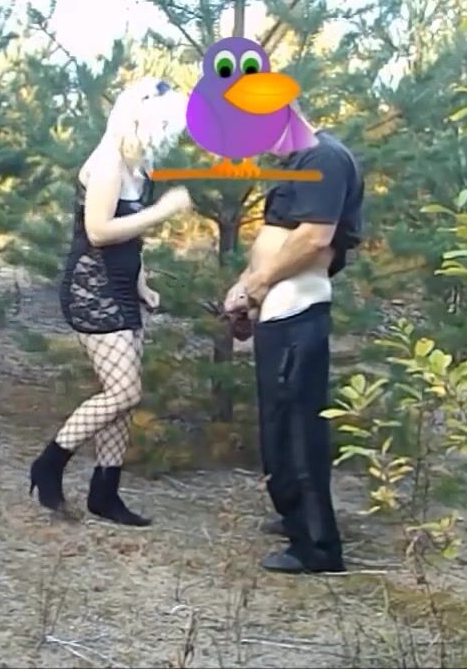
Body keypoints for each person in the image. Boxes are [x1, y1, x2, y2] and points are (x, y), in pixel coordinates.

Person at [28, 77, 193, 527]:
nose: (168, 134)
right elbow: (99, 232)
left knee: (122, 398)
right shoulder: (106, 164)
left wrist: (142, 282)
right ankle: (49, 464)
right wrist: (163, 211)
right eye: (164, 124)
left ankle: (105, 493)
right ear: (140, 116)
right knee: (124, 391)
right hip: (92, 289)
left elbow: (130, 238)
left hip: (121, 287)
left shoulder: (139, 166)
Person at [223, 102, 364, 574]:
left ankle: (318, 547)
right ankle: (293, 517)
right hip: (279, 311)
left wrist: (257, 285)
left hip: (299, 310)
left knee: (300, 432)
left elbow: (314, 239)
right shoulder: (298, 162)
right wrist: (246, 286)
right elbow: (278, 237)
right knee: (279, 426)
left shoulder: (324, 157)